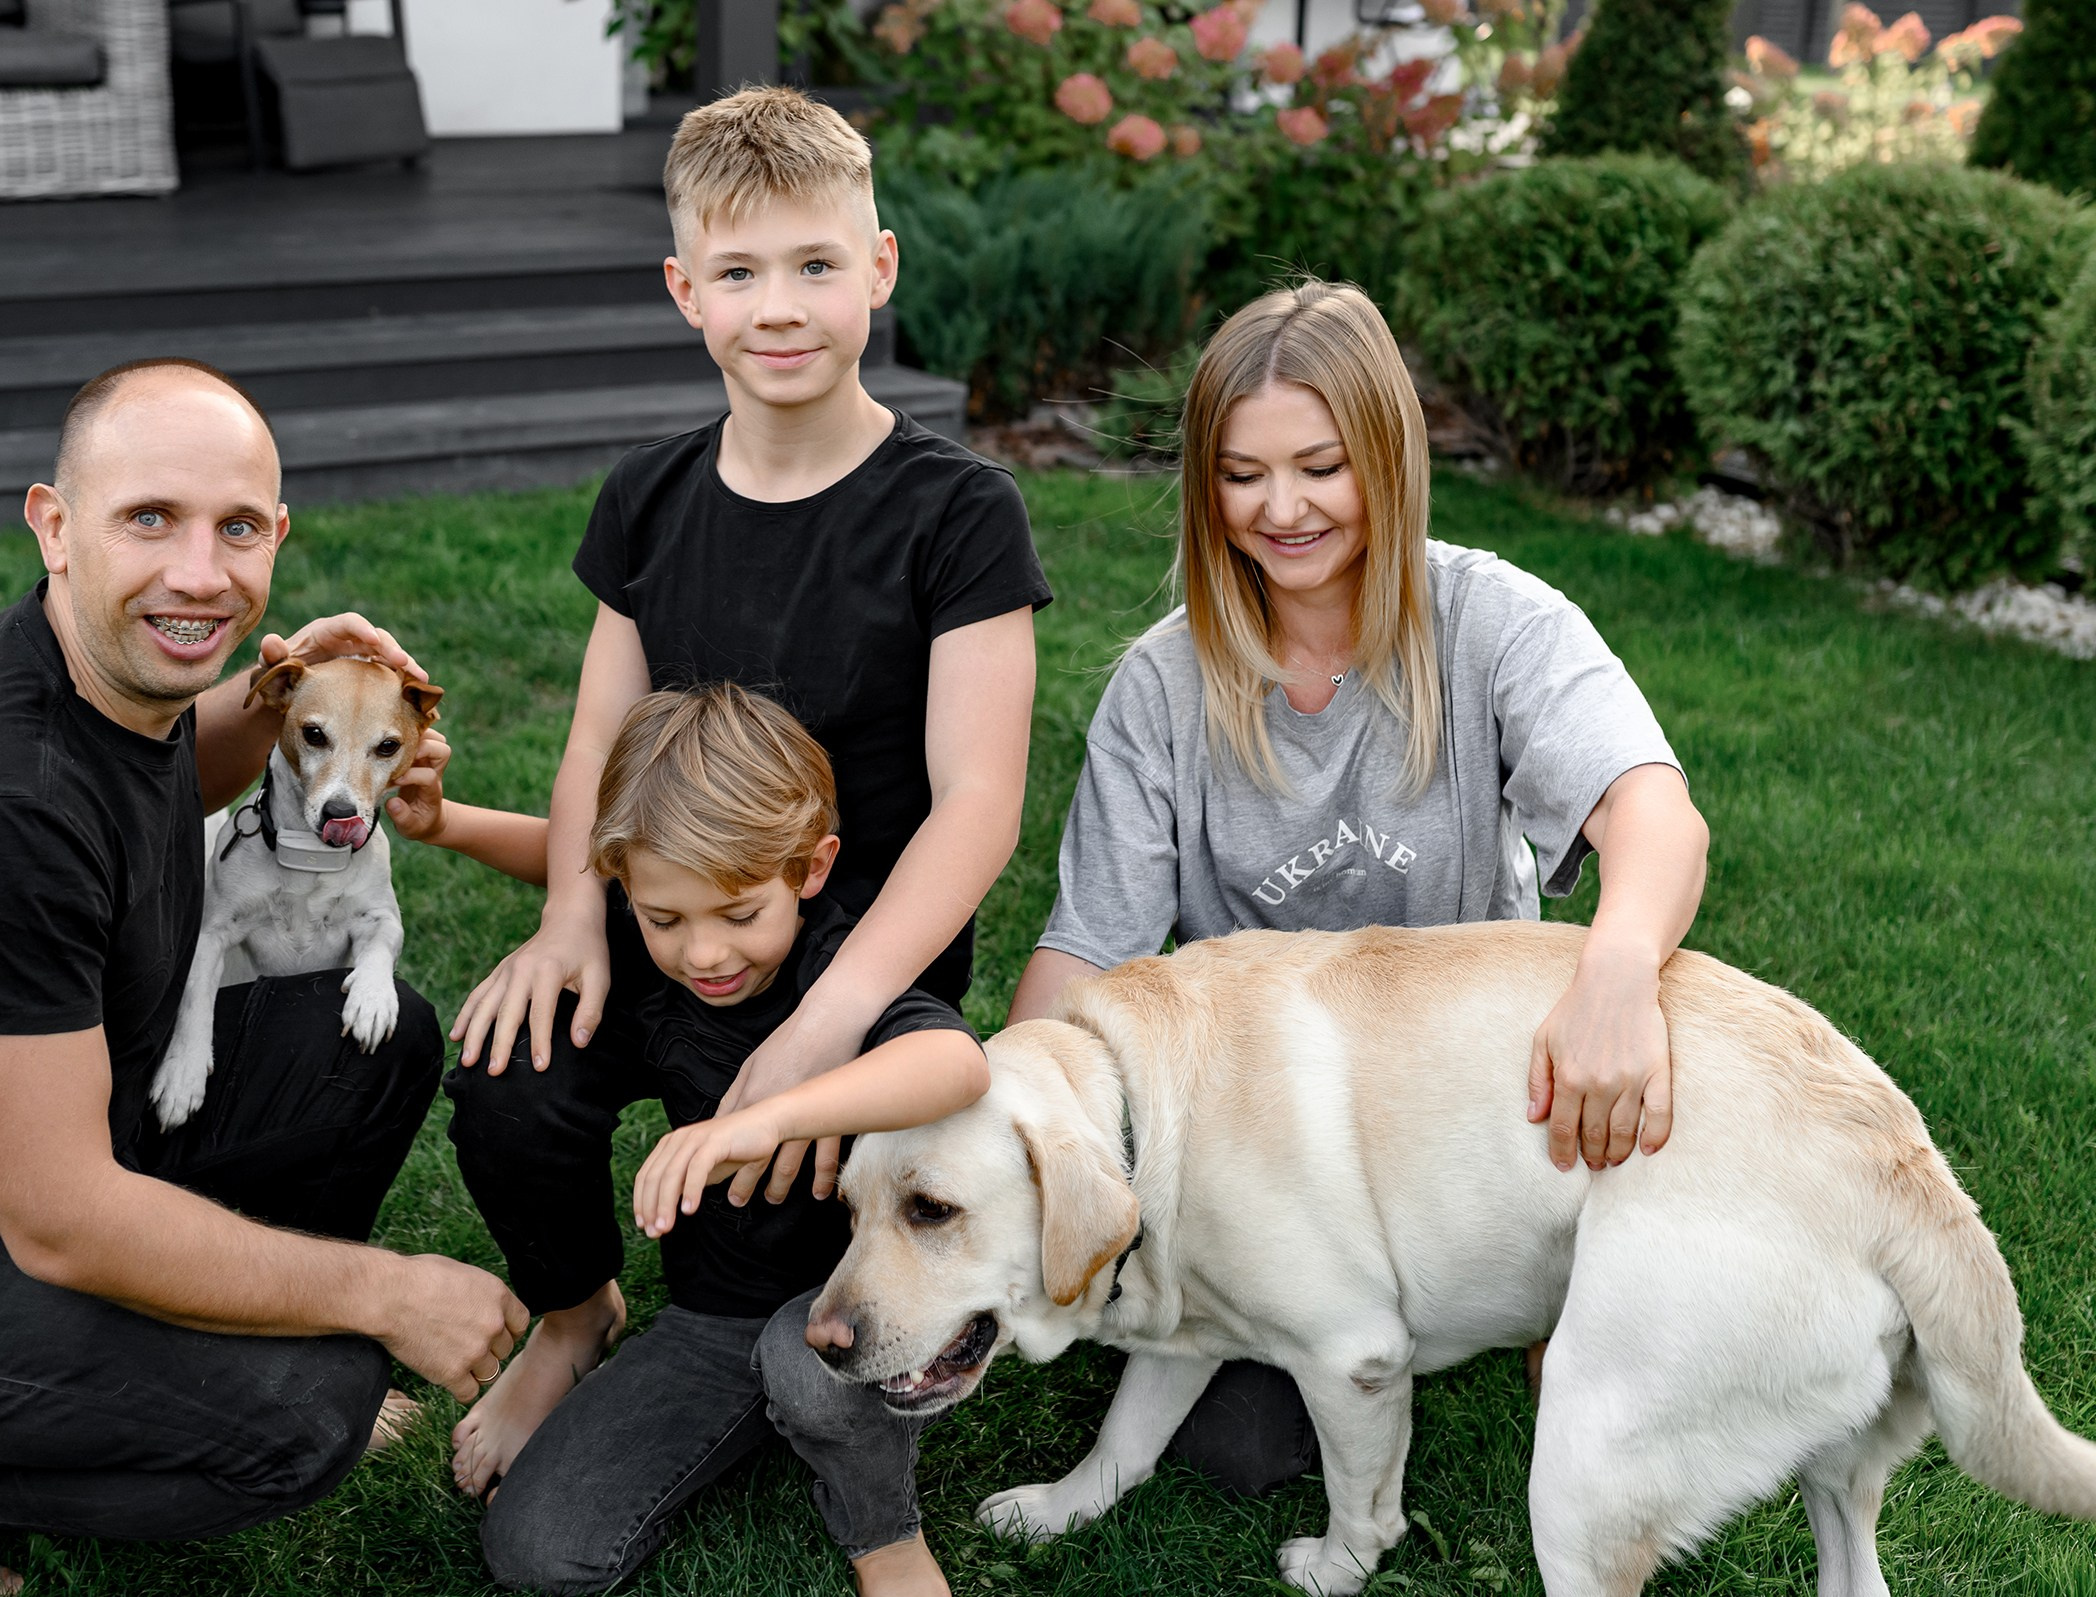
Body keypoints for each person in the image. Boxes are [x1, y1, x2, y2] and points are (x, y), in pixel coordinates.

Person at [0, 358, 532, 1597]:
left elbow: (167, 780)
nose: (200, 572)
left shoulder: (121, 680)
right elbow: (64, 1219)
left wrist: (287, 694)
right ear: (55, 525)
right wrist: (387, 1292)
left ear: (277, 540)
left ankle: (186, 1353)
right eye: (151, 517)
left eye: (237, 528)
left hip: (51, 1150)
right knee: (304, 1415)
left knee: (376, 1043)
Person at [434, 81, 1049, 1559]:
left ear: (879, 269)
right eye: (739, 272)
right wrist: (573, 922)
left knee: (764, 1249)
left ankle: (785, 1348)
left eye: (816, 266)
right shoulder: (648, 499)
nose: (780, 309)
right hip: (667, 933)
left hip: (851, 964)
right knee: (510, 1072)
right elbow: (598, 731)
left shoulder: (954, 513)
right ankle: (577, 1309)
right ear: (684, 290)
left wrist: (824, 1025)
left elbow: (981, 801)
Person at [1007, 283, 1711, 1497]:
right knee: (1240, 1454)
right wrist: (1004, 1125)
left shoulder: (1490, 619)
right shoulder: (1163, 687)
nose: (1281, 509)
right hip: (1267, 1141)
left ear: (1387, 454)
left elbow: (1653, 808)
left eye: (1322, 466)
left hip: (1464, 1110)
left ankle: (1537, 1281)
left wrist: (1616, 968)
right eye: (1241, 475)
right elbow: (1088, 956)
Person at [441, 683, 989, 1595]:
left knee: (805, 1369)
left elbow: (958, 1062)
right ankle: (587, 1324)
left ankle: (881, 1527)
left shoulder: (834, 967)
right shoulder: (655, 949)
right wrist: (447, 822)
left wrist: (769, 1116)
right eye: (665, 919)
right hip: (716, 1311)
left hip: (855, 1295)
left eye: (739, 914)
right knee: (537, 1552)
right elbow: (569, 856)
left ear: (811, 870)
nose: (703, 954)